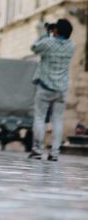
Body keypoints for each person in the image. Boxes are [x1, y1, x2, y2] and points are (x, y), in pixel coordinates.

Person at [29, 18, 75, 161]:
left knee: (40, 118)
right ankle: (54, 153)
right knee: (58, 121)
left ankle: (37, 150)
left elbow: (34, 47)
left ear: (56, 30)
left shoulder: (48, 43)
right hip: (61, 89)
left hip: (45, 86)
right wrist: (53, 32)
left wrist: (44, 33)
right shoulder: (71, 46)